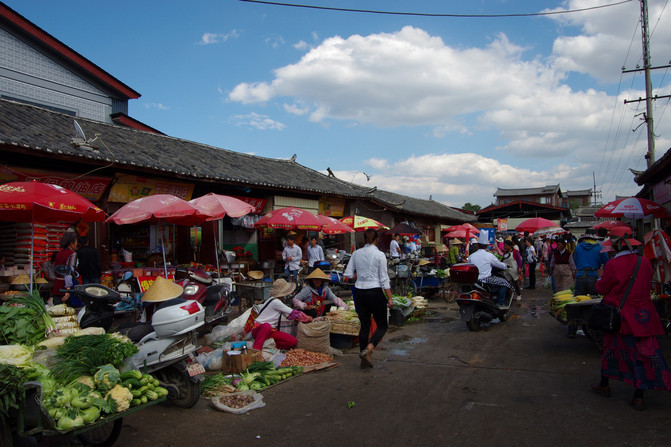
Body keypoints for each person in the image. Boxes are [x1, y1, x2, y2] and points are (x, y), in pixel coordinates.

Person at [591, 227, 671, 411]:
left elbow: (601, 288)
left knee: (610, 351)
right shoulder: (644, 262)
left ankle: (605, 385)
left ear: (618, 245)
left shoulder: (613, 265)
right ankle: (638, 396)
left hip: (621, 318)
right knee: (643, 355)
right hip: (643, 318)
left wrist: (600, 279)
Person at [344, 228, 393, 369]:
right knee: (382, 325)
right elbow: (384, 279)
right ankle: (369, 348)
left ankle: (363, 358)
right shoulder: (379, 255)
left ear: (364, 239)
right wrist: (389, 298)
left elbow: (348, 274)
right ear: (377, 240)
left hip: (360, 292)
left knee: (364, 326)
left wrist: (360, 275)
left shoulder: (356, 253)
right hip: (375, 292)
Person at [252, 278, 312, 350]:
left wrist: (303, 319)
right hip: (260, 330)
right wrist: (308, 318)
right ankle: (256, 349)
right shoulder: (275, 302)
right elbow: (293, 313)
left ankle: (268, 346)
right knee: (266, 326)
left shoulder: (276, 301)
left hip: (271, 331)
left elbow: (289, 316)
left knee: (292, 341)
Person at [467, 232, 511, 307]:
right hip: (486, 279)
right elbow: (499, 265)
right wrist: (506, 265)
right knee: (505, 283)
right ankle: (500, 304)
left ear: (477, 245)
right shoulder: (489, 255)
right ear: (487, 246)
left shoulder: (471, 256)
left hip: (474, 280)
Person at [51, 230, 79, 306]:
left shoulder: (58, 254)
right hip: (67, 287)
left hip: (57, 286)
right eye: (76, 241)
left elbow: (56, 270)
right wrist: (68, 290)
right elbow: (68, 272)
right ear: (71, 243)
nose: (77, 243)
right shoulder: (72, 254)